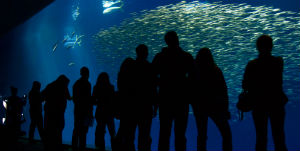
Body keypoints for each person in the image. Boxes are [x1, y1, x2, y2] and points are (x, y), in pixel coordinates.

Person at [242, 35, 288, 151]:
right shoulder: (278, 62)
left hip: (258, 104)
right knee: (279, 137)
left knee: (261, 137)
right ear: (271, 46)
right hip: (276, 103)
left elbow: (245, 85)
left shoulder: (252, 64)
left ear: (257, 47)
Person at [152, 31, 194, 151]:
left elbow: (152, 78)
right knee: (180, 134)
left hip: (165, 99)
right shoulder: (186, 56)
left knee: (164, 133)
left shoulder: (160, 57)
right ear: (177, 39)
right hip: (181, 100)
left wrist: (162, 84)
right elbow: (194, 78)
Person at [192, 48, 232, 151]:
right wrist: (225, 108)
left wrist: (193, 104)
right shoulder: (216, 70)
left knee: (202, 135)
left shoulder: (195, 71)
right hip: (216, 106)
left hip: (199, 106)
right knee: (226, 133)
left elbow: (190, 89)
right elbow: (224, 90)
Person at [42, 75, 71, 151]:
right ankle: (57, 146)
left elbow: (42, 95)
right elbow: (69, 97)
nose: (67, 85)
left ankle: (48, 146)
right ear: (64, 81)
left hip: (49, 112)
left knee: (49, 129)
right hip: (59, 113)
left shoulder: (50, 85)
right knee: (58, 129)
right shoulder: (64, 87)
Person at [93, 72, 116, 151]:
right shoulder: (111, 87)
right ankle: (115, 148)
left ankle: (101, 148)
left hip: (100, 113)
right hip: (109, 113)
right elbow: (113, 101)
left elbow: (93, 101)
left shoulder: (96, 87)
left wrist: (99, 102)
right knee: (112, 133)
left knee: (100, 133)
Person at [72, 67, 93, 151]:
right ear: (87, 73)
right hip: (86, 111)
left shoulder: (76, 84)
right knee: (84, 131)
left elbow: (75, 99)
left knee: (77, 129)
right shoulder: (88, 84)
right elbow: (88, 99)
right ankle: (82, 147)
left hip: (78, 110)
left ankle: (75, 147)